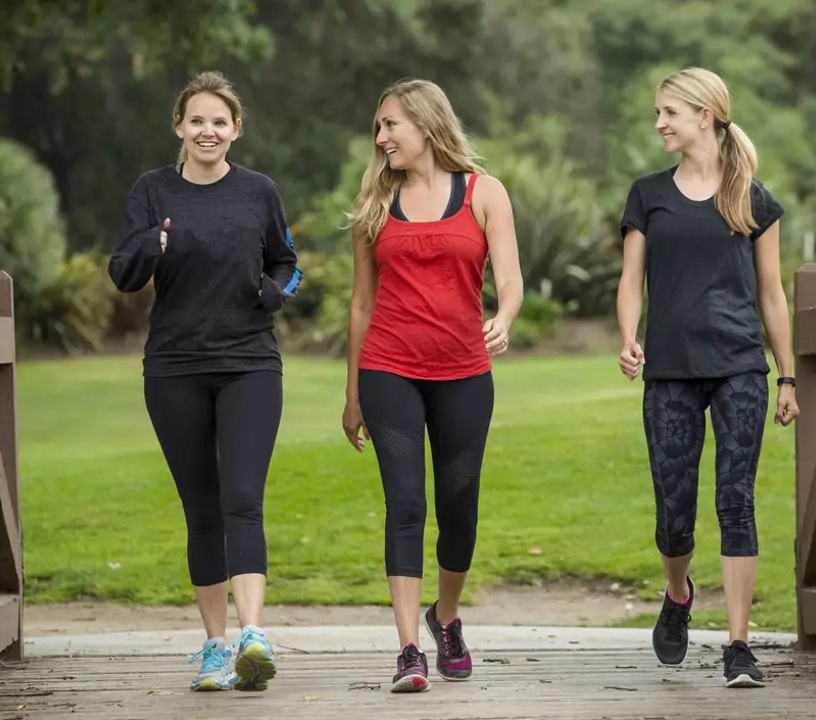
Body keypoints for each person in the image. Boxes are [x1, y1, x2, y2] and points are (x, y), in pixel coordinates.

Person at [107, 70, 301, 693]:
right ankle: (215, 648)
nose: (208, 130)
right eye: (197, 120)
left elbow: (287, 262)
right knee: (202, 510)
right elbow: (122, 273)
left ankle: (252, 636)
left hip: (249, 363)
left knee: (242, 497)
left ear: (236, 130)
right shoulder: (152, 191)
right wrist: (153, 247)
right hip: (174, 368)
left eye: (220, 121)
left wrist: (272, 292)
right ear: (179, 128)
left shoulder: (259, 192)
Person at [615, 67, 798, 689]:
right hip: (668, 371)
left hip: (740, 368)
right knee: (674, 514)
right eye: (658, 112)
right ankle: (679, 591)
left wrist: (787, 376)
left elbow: (773, 296)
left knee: (735, 500)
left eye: (669, 111)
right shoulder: (647, 194)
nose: (659, 122)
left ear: (705, 116)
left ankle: (739, 646)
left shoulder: (754, 199)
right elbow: (630, 280)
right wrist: (629, 338)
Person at [341, 78, 523, 694]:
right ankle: (409, 651)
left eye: (391, 124)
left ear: (425, 124)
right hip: (389, 368)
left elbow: (511, 278)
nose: (382, 137)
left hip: (464, 373)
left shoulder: (483, 192)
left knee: (459, 509)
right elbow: (361, 305)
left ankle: (445, 618)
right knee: (406, 504)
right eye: (379, 127)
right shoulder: (374, 199)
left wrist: (503, 316)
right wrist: (352, 394)